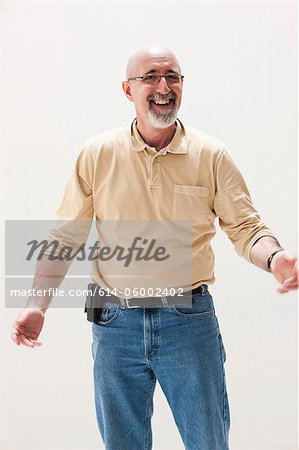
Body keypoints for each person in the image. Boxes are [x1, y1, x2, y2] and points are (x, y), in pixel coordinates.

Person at [11, 46, 298, 450]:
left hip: (188, 322)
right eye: (150, 76)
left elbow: (247, 228)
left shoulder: (211, 155)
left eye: (173, 76)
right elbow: (65, 238)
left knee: (209, 442)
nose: (163, 87)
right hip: (114, 326)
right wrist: (37, 303)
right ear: (127, 89)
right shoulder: (97, 155)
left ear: (182, 86)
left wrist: (274, 257)